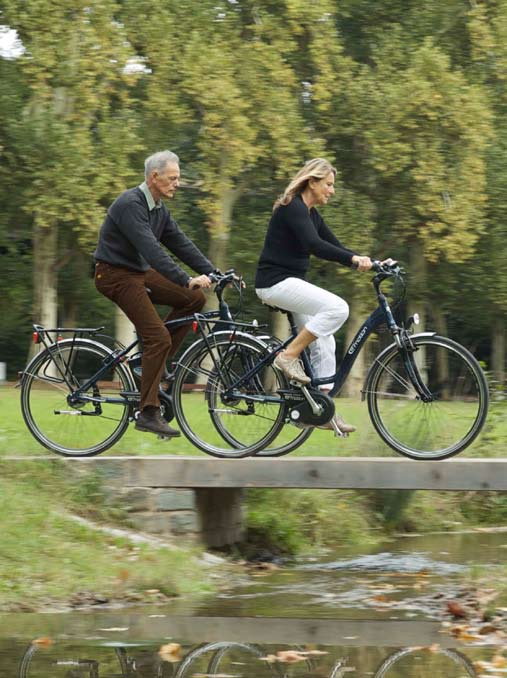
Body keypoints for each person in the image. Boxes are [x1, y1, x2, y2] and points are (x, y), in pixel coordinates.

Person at [255, 158, 391, 434]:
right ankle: (288, 355)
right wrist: (354, 259)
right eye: (328, 185)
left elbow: (334, 246)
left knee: (325, 342)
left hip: (288, 283)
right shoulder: (292, 207)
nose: (332, 190)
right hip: (274, 283)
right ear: (312, 182)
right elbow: (314, 245)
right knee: (338, 308)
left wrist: (373, 262)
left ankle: (320, 409)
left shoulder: (310, 214)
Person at [94, 150, 215, 438]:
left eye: (178, 179)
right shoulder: (130, 204)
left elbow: (180, 243)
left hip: (136, 271)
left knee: (195, 299)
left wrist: (214, 272)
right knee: (158, 337)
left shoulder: (158, 208)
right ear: (154, 177)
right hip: (113, 274)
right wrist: (185, 278)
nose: (177, 184)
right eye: (172, 178)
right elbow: (152, 250)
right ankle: (147, 412)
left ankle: (153, 365)